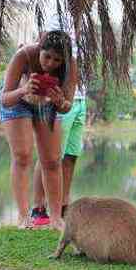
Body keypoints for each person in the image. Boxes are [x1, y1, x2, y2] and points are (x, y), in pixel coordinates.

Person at [0, 30, 77, 230]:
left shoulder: (70, 65)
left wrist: (60, 101)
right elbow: (5, 99)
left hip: (47, 103)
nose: (50, 63)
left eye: (56, 60)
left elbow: (67, 106)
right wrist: (24, 90)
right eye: (47, 56)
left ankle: (56, 218)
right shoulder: (24, 55)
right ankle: (24, 217)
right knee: (22, 155)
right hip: (17, 100)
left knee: (52, 160)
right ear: (39, 49)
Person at [32, 84, 86, 225]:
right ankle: (39, 208)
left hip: (80, 100)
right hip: (60, 102)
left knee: (71, 155)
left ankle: (63, 207)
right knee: (48, 155)